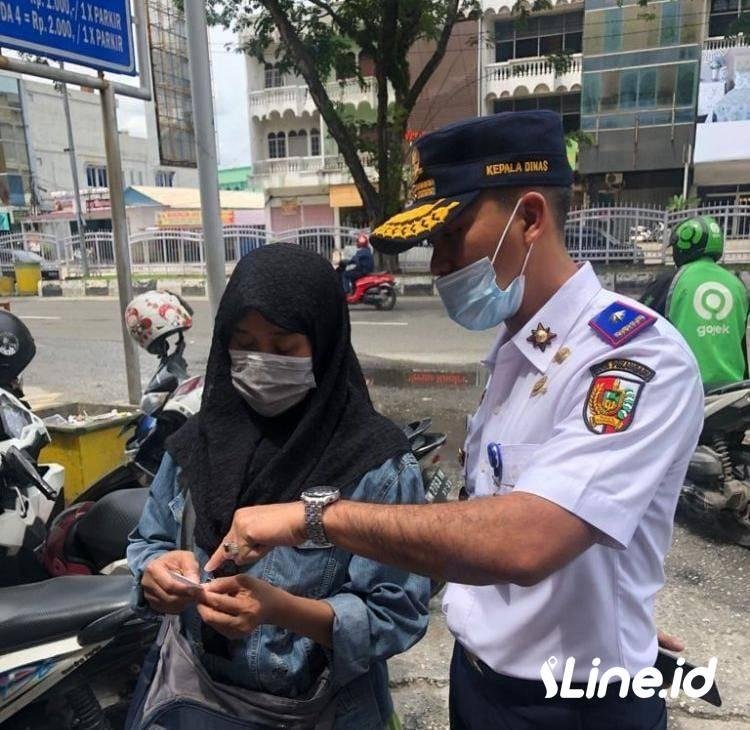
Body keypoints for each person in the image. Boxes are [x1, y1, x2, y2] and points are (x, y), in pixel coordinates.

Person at [204, 112, 705, 730]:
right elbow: (495, 520)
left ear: (528, 218)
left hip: (573, 705)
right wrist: (613, 601)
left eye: (453, 234)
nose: (437, 264)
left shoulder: (631, 358)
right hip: (480, 681)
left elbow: (525, 540)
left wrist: (313, 517)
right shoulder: (515, 354)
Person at [126, 243, 429, 729]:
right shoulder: (195, 444)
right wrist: (156, 573)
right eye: (243, 344)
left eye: (284, 348)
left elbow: (399, 612)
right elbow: (149, 541)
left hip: (323, 711)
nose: (260, 362)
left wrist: (285, 612)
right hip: (201, 698)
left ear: (324, 345)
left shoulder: (375, 465)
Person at [665, 215, 748, 390]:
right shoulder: (737, 284)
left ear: (683, 245)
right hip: (736, 388)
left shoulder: (672, 281)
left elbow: (637, 322)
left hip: (685, 388)